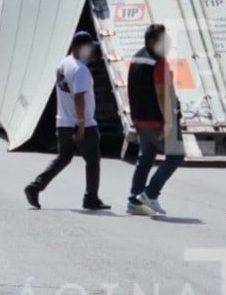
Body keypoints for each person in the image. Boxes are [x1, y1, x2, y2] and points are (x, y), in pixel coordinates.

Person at [24, 31, 110, 211]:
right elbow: (79, 98)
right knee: (93, 160)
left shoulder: (63, 64)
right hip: (81, 122)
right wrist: (81, 125)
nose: (91, 52)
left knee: (63, 158)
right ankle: (91, 198)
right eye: (89, 48)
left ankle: (35, 186)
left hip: (63, 121)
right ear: (78, 47)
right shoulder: (80, 69)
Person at [126, 24, 183, 217]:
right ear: (151, 41)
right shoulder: (159, 62)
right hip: (157, 119)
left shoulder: (137, 57)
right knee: (176, 156)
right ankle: (150, 193)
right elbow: (161, 93)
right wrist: (168, 121)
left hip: (140, 118)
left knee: (146, 157)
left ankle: (134, 200)